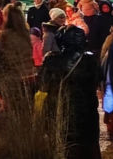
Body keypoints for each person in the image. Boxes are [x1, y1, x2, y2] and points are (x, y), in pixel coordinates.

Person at [38, 25, 101, 159]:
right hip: (87, 115)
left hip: (59, 112)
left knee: (63, 148)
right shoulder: (91, 60)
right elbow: (97, 81)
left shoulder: (52, 60)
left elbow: (42, 86)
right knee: (87, 148)